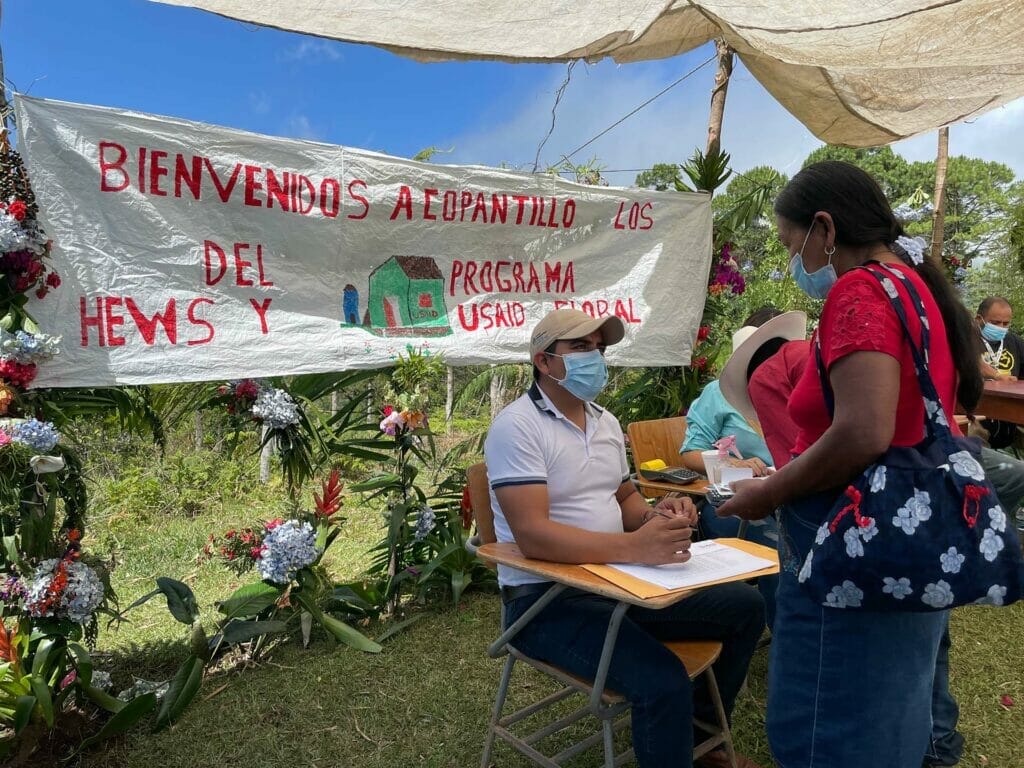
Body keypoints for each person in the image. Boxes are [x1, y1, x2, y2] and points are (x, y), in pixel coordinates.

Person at [716, 160, 984, 768]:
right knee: (890, 704)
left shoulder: (859, 290)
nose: (795, 262)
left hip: (850, 529)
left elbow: (864, 431)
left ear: (824, 229)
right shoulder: (914, 288)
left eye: (791, 245)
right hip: (912, 525)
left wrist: (770, 493)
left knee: (825, 722)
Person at [484, 307, 766, 768]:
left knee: (746, 607)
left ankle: (703, 742)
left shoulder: (605, 422)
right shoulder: (517, 428)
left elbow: (627, 502)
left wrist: (659, 515)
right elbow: (533, 537)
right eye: (580, 347)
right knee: (662, 681)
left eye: (599, 348)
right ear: (544, 361)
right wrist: (635, 548)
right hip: (546, 602)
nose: (594, 357)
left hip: (620, 583)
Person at [735, 335, 1024, 768]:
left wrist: (764, 495)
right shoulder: (896, 315)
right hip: (926, 496)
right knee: (921, 633)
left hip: (865, 519)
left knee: (831, 674)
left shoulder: (771, 374)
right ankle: (938, 742)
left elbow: (805, 464)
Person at [683, 307, 807, 628]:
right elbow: (691, 453)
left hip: (787, 495)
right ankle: (788, 634)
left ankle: (808, 631)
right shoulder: (719, 395)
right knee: (779, 548)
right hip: (733, 502)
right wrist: (735, 463)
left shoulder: (798, 387)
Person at [975, 296, 1024, 450]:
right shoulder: (965, 339)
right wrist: (996, 375)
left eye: (1006, 323)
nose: (1001, 327)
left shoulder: (1013, 341)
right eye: (995, 323)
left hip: (1009, 422)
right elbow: (970, 361)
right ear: (979, 319)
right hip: (976, 421)